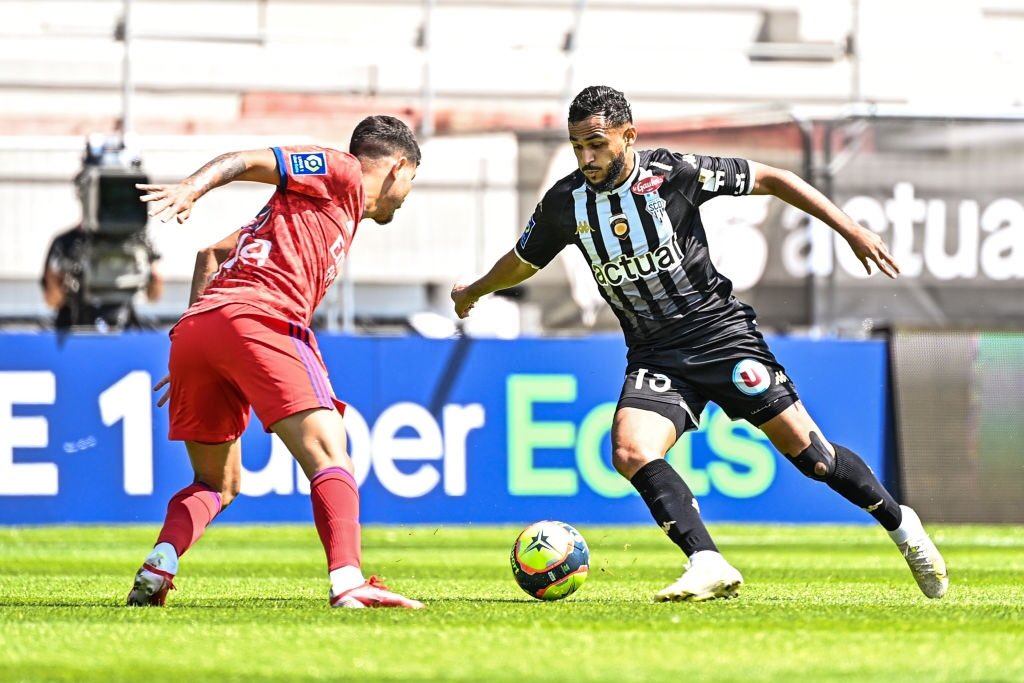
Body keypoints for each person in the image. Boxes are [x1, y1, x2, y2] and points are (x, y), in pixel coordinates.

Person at [452, 86, 948, 602]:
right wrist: (476, 289)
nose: (586, 157)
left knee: (814, 458)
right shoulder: (566, 203)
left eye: (596, 144)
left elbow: (775, 179)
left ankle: (902, 526)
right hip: (654, 352)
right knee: (629, 449)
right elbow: (523, 259)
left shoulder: (676, 173)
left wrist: (850, 229)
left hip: (721, 337)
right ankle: (707, 560)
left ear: (629, 136)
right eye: (577, 145)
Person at [126, 115, 425, 609]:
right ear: (398, 167)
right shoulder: (344, 171)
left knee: (217, 483)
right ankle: (348, 581)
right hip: (262, 319)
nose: (407, 193)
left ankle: (160, 563)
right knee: (331, 453)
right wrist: (191, 190)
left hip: (200, 331)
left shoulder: (304, 214)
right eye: (412, 179)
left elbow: (211, 254)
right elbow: (251, 160)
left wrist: (195, 332)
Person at [41, 224, 163, 330]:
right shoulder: (65, 242)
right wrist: (55, 279)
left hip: (123, 326)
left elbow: (153, 296)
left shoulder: (137, 241)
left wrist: (152, 276)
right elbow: (52, 301)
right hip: (74, 327)